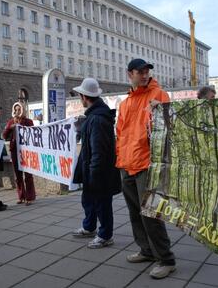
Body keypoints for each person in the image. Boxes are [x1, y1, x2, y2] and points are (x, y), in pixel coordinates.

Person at [116, 59, 176, 279]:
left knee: (151, 213)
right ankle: (146, 250)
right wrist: (120, 160)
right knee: (135, 212)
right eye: (139, 72)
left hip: (147, 165)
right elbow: (121, 134)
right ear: (129, 74)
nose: (144, 75)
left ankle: (166, 259)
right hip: (126, 164)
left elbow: (168, 131)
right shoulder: (125, 103)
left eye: (146, 72)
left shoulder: (159, 95)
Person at [71, 78, 121, 249]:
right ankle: (89, 227)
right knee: (89, 200)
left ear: (84, 97)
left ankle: (106, 235)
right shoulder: (94, 116)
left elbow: (98, 151)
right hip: (93, 170)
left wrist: (94, 174)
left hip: (98, 171)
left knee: (102, 204)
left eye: (80, 96)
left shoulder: (97, 119)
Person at [3, 102, 36, 205]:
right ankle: (21, 196)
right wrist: (10, 127)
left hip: (26, 151)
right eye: (15, 110)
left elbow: (33, 134)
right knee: (18, 175)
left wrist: (20, 124)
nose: (17, 112)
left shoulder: (28, 121)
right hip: (15, 150)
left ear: (23, 110)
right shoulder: (11, 121)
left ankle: (30, 197)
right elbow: (4, 136)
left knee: (28, 174)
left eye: (19, 109)